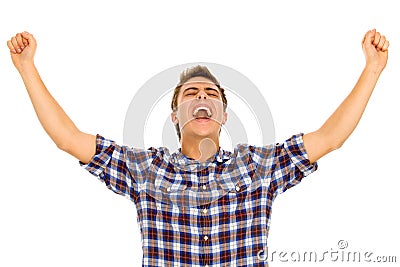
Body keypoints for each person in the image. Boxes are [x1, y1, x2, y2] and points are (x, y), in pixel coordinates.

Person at [7, 29, 389, 266]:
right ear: (176, 115)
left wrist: (372, 68)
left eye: (211, 94)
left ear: (223, 114)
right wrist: (27, 67)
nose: (201, 97)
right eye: (191, 93)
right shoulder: (145, 169)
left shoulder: (258, 165)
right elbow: (68, 138)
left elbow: (330, 137)